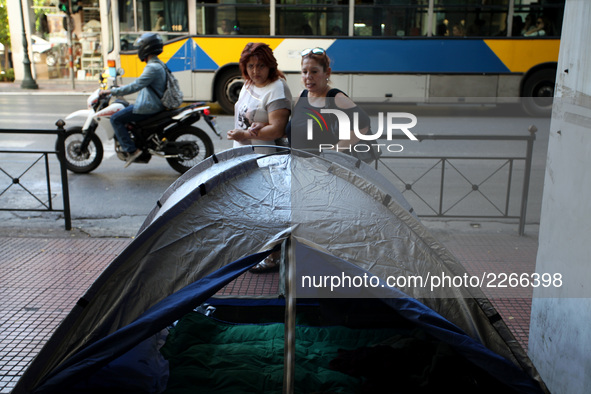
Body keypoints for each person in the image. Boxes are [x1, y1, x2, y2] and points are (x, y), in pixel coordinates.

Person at [226, 43, 292, 273]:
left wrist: (246, 134)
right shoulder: (249, 83)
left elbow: (277, 129)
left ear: (270, 65)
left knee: (268, 210)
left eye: (261, 65)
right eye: (251, 66)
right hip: (244, 156)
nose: (255, 71)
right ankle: (260, 250)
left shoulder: (277, 88)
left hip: (268, 161)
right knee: (250, 207)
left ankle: (273, 256)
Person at [287, 47, 371, 156]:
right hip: (298, 165)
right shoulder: (301, 96)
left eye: (314, 71)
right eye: (304, 72)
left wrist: (334, 151)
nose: (308, 76)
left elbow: (363, 125)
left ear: (327, 73)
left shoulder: (335, 98)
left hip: (323, 169)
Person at [100, 33, 167, 167]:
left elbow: (135, 86)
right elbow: (139, 84)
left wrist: (111, 91)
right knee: (124, 109)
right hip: (153, 104)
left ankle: (132, 150)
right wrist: (120, 88)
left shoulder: (152, 68)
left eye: (140, 48)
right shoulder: (159, 64)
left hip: (149, 107)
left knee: (116, 119)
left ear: (146, 49)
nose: (138, 51)